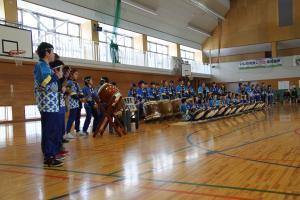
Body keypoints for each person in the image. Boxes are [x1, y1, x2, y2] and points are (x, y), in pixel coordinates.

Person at [34, 42, 63, 167]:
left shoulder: (46, 66)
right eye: (52, 51)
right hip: (47, 104)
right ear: (47, 52)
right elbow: (44, 85)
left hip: (52, 104)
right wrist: (56, 76)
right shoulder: (41, 66)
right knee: (49, 130)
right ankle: (49, 157)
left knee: (53, 129)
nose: (53, 54)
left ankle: (52, 154)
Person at [49, 59, 69, 157]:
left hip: (59, 105)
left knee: (60, 128)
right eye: (61, 69)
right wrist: (62, 90)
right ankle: (53, 152)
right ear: (56, 70)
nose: (62, 72)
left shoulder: (58, 80)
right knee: (55, 129)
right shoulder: (53, 79)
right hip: (54, 106)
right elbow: (54, 90)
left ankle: (58, 148)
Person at [66, 69, 84, 138]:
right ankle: (67, 132)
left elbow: (80, 92)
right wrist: (79, 97)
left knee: (78, 117)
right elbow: (72, 94)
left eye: (77, 74)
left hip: (78, 103)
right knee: (72, 117)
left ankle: (78, 130)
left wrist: (82, 96)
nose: (77, 75)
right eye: (75, 74)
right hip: (73, 103)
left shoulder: (76, 83)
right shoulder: (69, 83)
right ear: (71, 75)